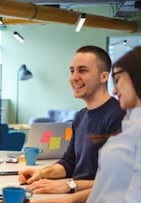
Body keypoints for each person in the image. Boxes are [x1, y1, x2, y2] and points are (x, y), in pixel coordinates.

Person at [27, 46, 141, 203]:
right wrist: (67, 195)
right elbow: (106, 179)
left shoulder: (123, 118)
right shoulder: (122, 119)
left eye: (119, 81)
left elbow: (133, 201)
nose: (116, 90)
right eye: (71, 70)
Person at [18, 46, 125, 194]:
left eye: (82, 70)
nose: (74, 77)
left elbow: (117, 181)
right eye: (72, 70)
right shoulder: (81, 116)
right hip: (75, 198)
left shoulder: (119, 116)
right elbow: (69, 163)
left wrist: (67, 185)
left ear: (104, 77)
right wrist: (42, 173)